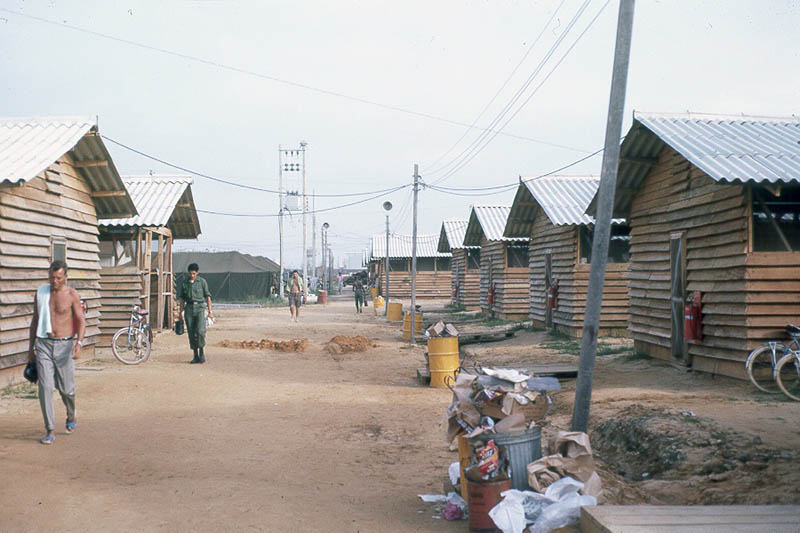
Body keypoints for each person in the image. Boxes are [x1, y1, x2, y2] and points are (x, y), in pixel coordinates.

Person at [28, 260, 85, 445]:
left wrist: (79, 343)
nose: (54, 281)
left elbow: (81, 320)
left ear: (65, 277)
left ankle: (71, 415)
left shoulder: (71, 295)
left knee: (67, 389)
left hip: (64, 345)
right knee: (45, 388)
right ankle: (50, 429)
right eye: (52, 277)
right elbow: (35, 321)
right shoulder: (41, 293)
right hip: (44, 344)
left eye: (58, 278)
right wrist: (30, 350)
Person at [177, 263, 214, 364]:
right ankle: (195, 355)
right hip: (188, 309)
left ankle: (202, 352)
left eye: (194, 273)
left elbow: (208, 297)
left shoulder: (202, 282)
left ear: (197, 273)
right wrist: (180, 313)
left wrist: (210, 312)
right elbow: (181, 299)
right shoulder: (185, 283)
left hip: (200, 309)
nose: (192, 275)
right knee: (191, 332)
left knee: (200, 331)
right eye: (190, 273)